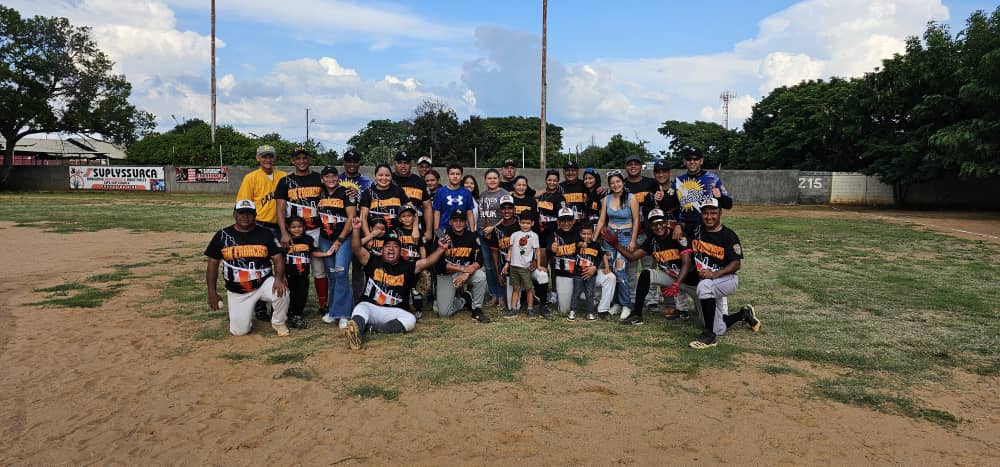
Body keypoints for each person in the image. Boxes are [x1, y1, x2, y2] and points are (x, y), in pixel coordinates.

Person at [345, 217, 450, 350]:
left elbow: (428, 262)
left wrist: (441, 249)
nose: (391, 249)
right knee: (360, 309)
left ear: (400, 252)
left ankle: (372, 329)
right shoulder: (372, 260)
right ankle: (356, 333)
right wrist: (355, 230)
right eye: (387, 246)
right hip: (371, 306)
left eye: (395, 247)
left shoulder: (408, 266)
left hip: (395, 311)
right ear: (382, 250)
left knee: (410, 320)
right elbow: (356, 248)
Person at [205, 200, 290, 337]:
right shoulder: (222, 235)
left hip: (262, 283)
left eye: (249, 213)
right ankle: (245, 317)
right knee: (239, 332)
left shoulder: (265, 233)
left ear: (255, 215)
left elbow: (278, 259)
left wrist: (279, 279)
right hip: (238, 291)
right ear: (234, 214)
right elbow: (212, 265)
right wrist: (212, 292)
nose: (245, 216)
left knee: (282, 292)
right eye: (241, 213)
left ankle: (279, 323)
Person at [687, 198, 759, 349]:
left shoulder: (728, 235)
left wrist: (715, 274)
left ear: (720, 213)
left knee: (704, 287)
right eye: (705, 213)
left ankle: (708, 336)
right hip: (711, 281)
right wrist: (678, 228)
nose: (709, 217)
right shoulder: (697, 230)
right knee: (719, 328)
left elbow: (736, 264)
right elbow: (681, 229)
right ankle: (743, 314)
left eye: (713, 213)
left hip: (727, 279)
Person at [672, 147, 734, 317]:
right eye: (688, 159)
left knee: (711, 266)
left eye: (695, 159)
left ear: (701, 160)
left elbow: (729, 204)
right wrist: (677, 224)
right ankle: (681, 307)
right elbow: (671, 206)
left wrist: (720, 196)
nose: (692, 162)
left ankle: (722, 312)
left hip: (707, 231)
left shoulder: (713, 178)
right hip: (686, 230)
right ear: (684, 161)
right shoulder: (678, 181)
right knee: (683, 265)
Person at [604, 209, 693, 326]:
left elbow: (687, 263)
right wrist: (616, 245)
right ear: (650, 226)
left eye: (661, 223)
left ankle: (685, 311)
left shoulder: (677, 235)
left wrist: (677, 284)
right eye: (655, 224)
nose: (659, 226)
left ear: (666, 223)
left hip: (690, 279)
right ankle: (637, 314)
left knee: (707, 309)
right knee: (646, 274)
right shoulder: (652, 240)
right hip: (672, 277)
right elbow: (632, 257)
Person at [235, 145, 287, 321]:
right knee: (258, 266)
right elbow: (243, 204)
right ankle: (259, 307)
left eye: (270, 156)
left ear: (275, 158)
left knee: (281, 265)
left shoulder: (283, 176)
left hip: (280, 227)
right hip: (259, 225)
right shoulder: (251, 178)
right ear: (258, 158)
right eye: (264, 156)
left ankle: (278, 303)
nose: (268, 159)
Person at [274, 147, 327, 314]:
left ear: (310, 160)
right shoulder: (285, 181)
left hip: (315, 230)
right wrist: (284, 232)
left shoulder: (319, 178)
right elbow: (280, 209)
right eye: (298, 158)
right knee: (293, 269)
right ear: (292, 161)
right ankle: (289, 304)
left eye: (305, 157)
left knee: (319, 269)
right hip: (294, 232)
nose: (302, 161)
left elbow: (332, 196)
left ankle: (323, 304)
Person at [594, 170, 640, 320]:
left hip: (625, 236)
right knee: (612, 271)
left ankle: (627, 304)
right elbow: (601, 221)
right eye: (612, 183)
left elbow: (636, 221)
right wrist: (593, 241)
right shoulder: (606, 199)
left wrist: (633, 241)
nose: (615, 185)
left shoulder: (631, 198)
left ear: (623, 182)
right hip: (610, 236)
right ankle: (616, 303)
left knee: (620, 270)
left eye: (618, 182)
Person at [432, 207, 490, 323]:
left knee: (480, 276)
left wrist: (467, 273)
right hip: (446, 274)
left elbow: (479, 259)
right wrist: (462, 269)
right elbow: (439, 265)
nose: (458, 223)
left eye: (461, 220)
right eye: (455, 220)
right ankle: (463, 300)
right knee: (444, 313)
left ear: (466, 222)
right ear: (450, 222)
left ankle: (476, 309)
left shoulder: (472, 236)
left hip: (465, 272)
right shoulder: (442, 236)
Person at [642, 159, 684, 318]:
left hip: (676, 236)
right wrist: (654, 235)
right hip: (659, 237)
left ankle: (681, 305)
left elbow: (684, 210)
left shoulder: (677, 189)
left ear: (669, 172)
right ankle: (665, 302)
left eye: (664, 171)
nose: (661, 174)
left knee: (679, 269)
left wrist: (680, 224)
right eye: (658, 172)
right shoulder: (651, 193)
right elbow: (646, 217)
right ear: (654, 174)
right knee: (662, 269)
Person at [316, 165, 355, 327]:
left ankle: (344, 313)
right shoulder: (319, 193)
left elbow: (351, 218)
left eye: (333, 176)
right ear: (322, 179)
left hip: (343, 238)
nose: (330, 179)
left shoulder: (346, 192)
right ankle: (333, 311)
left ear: (338, 178)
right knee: (332, 274)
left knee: (341, 272)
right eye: (327, 176)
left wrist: (340, 240)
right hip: (325, 238)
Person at [623, 154, 662, 314]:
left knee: (649, 268)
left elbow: (659, 202)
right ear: (626, 167)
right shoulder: (622, 184)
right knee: (630, 270)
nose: (633, 166)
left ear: (641, 167)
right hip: (629, 233)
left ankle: (652, 300)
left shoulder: (651, 183)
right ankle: (632, 298)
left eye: (636, 164)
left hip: (647, 232)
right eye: (630, 164)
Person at [339, 149, 372, 302]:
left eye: (355, 161)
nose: (352, 164)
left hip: (360, 228)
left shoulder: (368, 183)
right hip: (340, 228)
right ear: (344, 162)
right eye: (349, 161)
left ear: (359, 163)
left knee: (359, 267)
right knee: (340, 267)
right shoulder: (335, 180)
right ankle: (340, 298)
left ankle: (358, 299)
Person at [283, 216, 328, 329]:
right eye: (293, 227)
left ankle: (298, 315)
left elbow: (314, 253)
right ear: (288, 228)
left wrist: (326, 254)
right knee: (290, 295)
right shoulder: (286, 241)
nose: (296, 229)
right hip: (290, 275)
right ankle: (287, 314)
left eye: (299, 227)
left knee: (302, 295)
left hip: (303, 275)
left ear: (304, 227)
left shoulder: (308, 239)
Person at [484, 195, 521, 313]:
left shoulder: (521, 225)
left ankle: (529, 293)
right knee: (512, 306)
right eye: (504, 208)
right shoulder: (497, 229)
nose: (507, 211)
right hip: (508, 270)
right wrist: (498, 273)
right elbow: (495, 253)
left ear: (514, 209)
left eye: (510, 208)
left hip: (522, 267)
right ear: (500, 210)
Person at [478, 169, 509, 307]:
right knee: (489, 267)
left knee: (499, 266)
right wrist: (483, 230)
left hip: (497, 234)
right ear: (485, 180)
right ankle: (493, 295)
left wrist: (493, 228)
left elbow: (507, 216)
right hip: (483, 233)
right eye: (489, 178)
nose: (492, 180)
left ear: (499, 179)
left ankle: (502, 295)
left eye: (495, 178)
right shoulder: (482, 194)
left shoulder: (503, 194)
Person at [360, 164, 410, 249]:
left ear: (391, 177)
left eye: (387, 175)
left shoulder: (398, 191)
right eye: (380, 175)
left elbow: (412, 211)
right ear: (375, 176)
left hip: (396, 236)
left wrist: (415, 229)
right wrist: (369, 237)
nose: (384, 178)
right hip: (375, 237)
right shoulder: (367, 193)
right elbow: (363, 218)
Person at [572, 224, 614, 320]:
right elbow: (576, 245)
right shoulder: (577, 242)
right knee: (576, 293)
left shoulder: (596, 244)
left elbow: (602, 254)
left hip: (592, 274)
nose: (586, 236)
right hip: (577, 274)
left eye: (589, 234)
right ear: (580, 234)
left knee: (590, 292)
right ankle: (574, 309)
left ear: (593, 234)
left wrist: (607, 266)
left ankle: (599, 310)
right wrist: (580, 244)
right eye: (584, 234)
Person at [501, 210, 539, 318]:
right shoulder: (515, 235)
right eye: (523, 223)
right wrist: (507, 263)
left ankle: (530, 309)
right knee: (516, 288)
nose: (525, 225)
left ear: (532, 223)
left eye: (527, 223)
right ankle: (513, 309)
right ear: (519, 222)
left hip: (525, 267)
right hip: (514, 266)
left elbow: (537, 251)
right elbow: (510, 250)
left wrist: (536, 262)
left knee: (529, 288)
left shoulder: (533, 236)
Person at [392, 151, 433, 242]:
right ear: (394, 164)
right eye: (399, 163)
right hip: (394, 227)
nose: (403, 166)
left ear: (411, 164)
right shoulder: (388, 180)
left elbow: (427, 207)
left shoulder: (420, 182)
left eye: (406, 163)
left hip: (416, 228)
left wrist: (429, 231)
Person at [549, 207, 580, 319]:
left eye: (569, 220)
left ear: (574, 220)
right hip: (564, 275)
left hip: (580, 274)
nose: (566, 223)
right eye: (563, 220)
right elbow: (548, 254)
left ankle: (585, 296)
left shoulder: (579, 234)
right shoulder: (554, 235)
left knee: (607, 277)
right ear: (558, 222)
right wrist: (552, 249)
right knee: (564, 310)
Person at [432, 164, 476, 231]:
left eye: (457, 174)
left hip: (462, 231)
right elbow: (437, 213)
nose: (455, 176)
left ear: (461, 177)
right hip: (444, 230)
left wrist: (472, 232)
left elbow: (469, 213)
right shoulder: (440, 192)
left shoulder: (467, 193)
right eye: (452, 174)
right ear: (448, 176)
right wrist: (437, 232)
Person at [559, 160, 590, 224]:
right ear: (564, 172)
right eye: (567, 170)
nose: (570, 173)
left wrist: (599, 187)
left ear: (578, 171)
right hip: (566, 225)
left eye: (573, 170)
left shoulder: (585, 185)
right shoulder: (559, 187)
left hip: (583, 225)